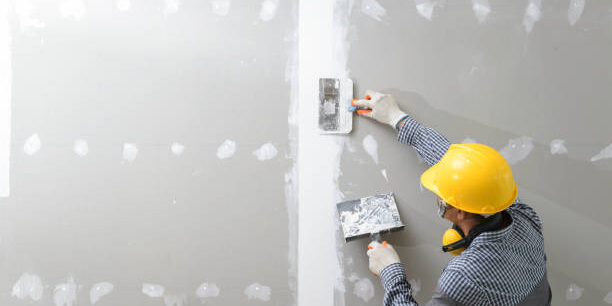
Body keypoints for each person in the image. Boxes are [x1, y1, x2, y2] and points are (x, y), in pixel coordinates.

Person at [352, 90, 551, 306]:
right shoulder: (523, 216)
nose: (437, 194)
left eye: (441, 193)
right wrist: (395, 117)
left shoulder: (463, 276)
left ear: (460, 211)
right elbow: (457, 164)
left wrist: (391, 271)